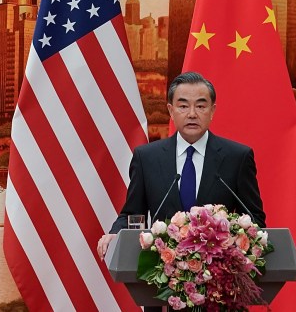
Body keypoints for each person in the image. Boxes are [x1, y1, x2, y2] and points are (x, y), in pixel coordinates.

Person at [97, 71, 265, 262]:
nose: (192, 114)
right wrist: (115, 233)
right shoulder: (146, 158)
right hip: (162, 270)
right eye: (183, 106)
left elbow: (254, 220)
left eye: (201, 106)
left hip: (219, 272)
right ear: (170, 110)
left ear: (212, 110)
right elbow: (133, 214)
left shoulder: (237, 157)